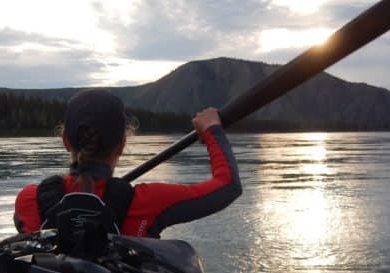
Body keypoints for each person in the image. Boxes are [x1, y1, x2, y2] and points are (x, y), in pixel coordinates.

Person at [13, 89, 241, 238]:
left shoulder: (29, 199)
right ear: (123, 143)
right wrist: (212, 129)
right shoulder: (148, 202)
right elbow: (228, 186)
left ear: (65, 141)